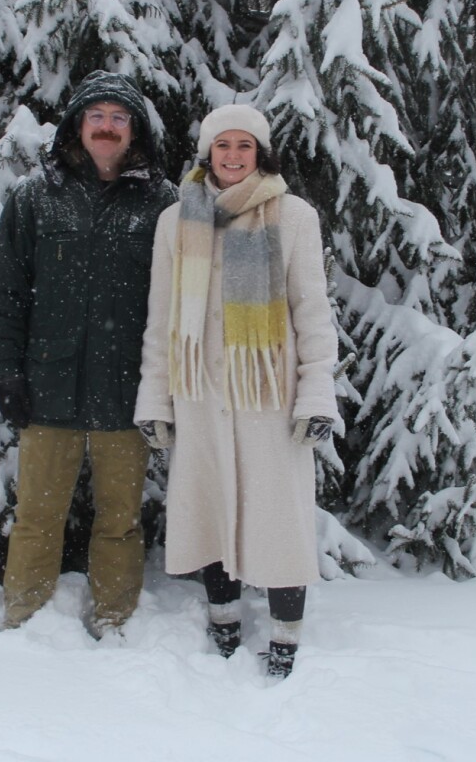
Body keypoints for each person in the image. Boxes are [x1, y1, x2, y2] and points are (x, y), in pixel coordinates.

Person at [134, 104, 339, 677]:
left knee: (279, 515)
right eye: (221, 145)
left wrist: (316, 394)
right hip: (199, 392)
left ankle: (285, 633)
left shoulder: (293, 216)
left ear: (260, 153)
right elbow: (161, 318)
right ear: (206, 153)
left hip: (268, 392)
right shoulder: (176, 222)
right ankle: (222, 618)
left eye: (243, 146)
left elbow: (313, 314)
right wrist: (155, 398)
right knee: (210, 505)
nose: (231, 156)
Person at [0, 71, 177, 636]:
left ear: (134, 131)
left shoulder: (162, 203)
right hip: (49, 389)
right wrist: (9, 374)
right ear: (77, 125)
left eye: (119, 118)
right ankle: (24, 621)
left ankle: (115, 622)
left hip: (126, 391)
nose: (107, 127)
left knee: (119, 521)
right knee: (37, 518)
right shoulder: (34, 196)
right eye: (97, 117)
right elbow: (1, 291)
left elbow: (184, 300)